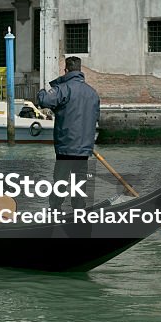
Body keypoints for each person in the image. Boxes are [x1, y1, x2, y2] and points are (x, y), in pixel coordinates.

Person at [36, 56, 100, 213]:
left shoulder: (64, 88)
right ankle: (79, 212)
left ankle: (55, 210)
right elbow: (96, 117)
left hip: (66, 146)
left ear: (66, 70)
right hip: (84, 148)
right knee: (79, 182)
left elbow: (44, 100)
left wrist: (46, 88)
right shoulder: (93, 93)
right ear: (80, 70)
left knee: (60, 181)